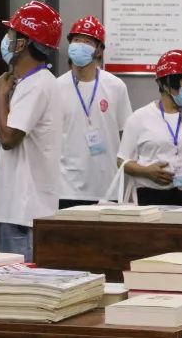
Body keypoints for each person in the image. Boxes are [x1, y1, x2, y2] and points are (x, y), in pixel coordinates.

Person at [0, 0, 64, 261]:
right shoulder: (33, 83)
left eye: (12, 35)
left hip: (23, 213)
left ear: (23, 43)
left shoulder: (36, 86)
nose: (7, 40)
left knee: (17, 282)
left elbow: (8, 138)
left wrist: (0, 95)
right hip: (20, 210)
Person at [118, 50, 182, 205]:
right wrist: (146, 171)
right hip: (150, 197)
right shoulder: (139, 118)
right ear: (165, 84)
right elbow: (122, 161)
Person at [57, 15, 132, 201]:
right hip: (65, 188)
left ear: (99, 50)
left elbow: (127, 137)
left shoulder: (116, 86)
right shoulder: (55, 87)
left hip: (107, 188)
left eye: (87, 42)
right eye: (76, 40)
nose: (80, 45)